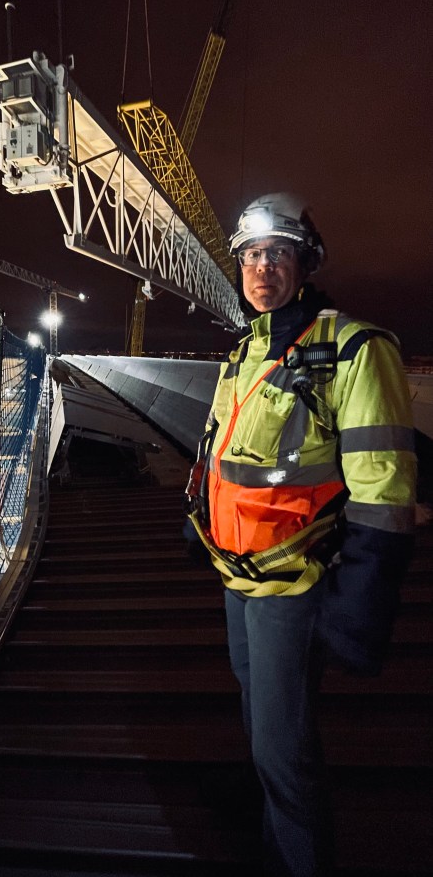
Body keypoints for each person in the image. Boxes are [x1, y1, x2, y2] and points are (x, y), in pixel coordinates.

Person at [186, 193, 416, 877]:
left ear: (303, 261)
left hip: (295, 582)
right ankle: (276, 841)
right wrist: (195, 522)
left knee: (283, 752)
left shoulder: (352, 347)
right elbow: (218, 454)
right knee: (265, 734)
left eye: (277, 254)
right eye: (252, 256)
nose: (262, 268)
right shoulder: (244, 353)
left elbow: (384, 492)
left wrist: (360, 603)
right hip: (238, 579)